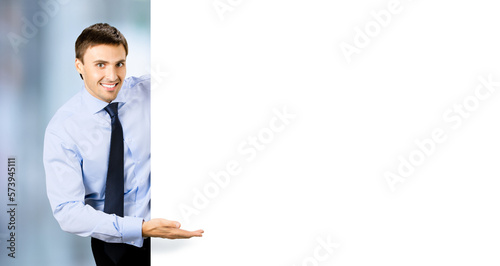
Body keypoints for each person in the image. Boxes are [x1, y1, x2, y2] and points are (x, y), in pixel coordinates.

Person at [43, 23, 203, 266]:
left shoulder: (149, 93)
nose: (112, 76)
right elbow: (68, 212)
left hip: (178, 230)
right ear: (79, 66)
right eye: (100, 65)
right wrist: (142, 228)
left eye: (119, 63)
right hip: (115, 245)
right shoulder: (63, 129)